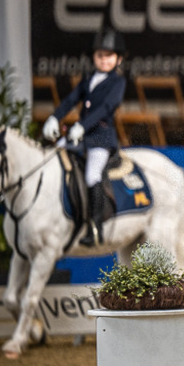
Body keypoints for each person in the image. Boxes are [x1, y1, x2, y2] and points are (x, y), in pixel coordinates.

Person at [43, 28, 127, 247]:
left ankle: (95, 226)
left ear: (117, 58)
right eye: (100, 55)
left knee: (91, 175)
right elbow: (71, 99)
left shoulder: (118, 82)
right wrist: (55, 117)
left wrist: (81, 125)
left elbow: (107, 108)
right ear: (93, 57)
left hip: (100, 137)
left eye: (108, 56)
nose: (104, 60)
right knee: (54, 155)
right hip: (79, 135)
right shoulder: (88, 78)